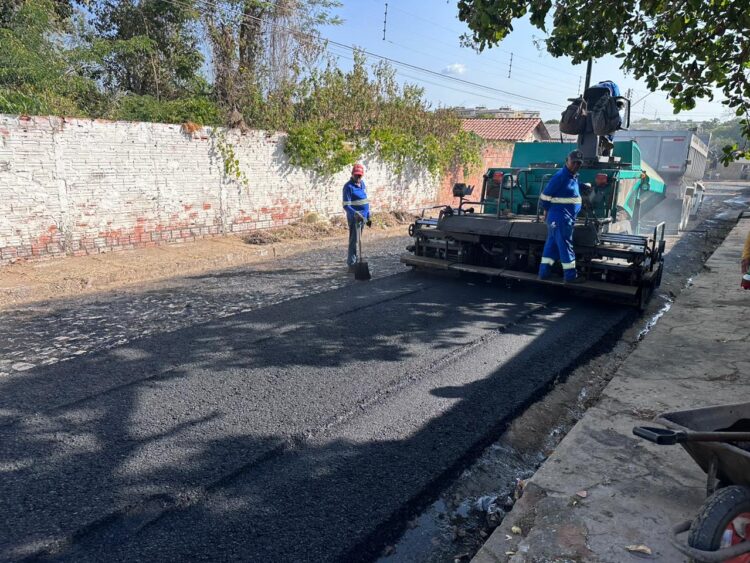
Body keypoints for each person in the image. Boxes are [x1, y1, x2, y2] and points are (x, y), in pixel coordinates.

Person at [538, 150, 585, 283]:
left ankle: (544, 273)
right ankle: (570, 276)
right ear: (567, 161)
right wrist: (545, 211)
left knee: (551, 247)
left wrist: (582, 186)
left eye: (579, 163)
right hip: (561, 219)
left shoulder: (572, 176)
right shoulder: (561, 177)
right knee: (565, 247)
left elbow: (567, 189)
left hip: (558, 219)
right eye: (574, 162)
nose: (576, 165)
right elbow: (545, 196)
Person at [342, 163, 371, 271]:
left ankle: (356, 260)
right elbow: (346, 205)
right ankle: (352, 264)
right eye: (356, 175)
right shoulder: (348, 187)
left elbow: (365, 201)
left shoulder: (362, 184)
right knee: (354, 241)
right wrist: (355, 214)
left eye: (360, 176)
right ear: (352, 174)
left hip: (363, 218)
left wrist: (368, 215)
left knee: (359, 240)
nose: (358, 177)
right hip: (355, 219)